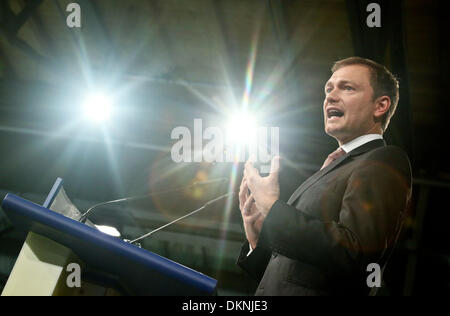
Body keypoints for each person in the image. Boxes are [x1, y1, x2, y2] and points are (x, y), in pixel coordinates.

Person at [237, 57, 412, 296]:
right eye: (329, 89)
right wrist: (259, 237)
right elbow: (291, 277)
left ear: (380, 106)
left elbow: (355, 255)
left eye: (348, 88)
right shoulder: (335, 166)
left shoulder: (384, 160)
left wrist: (273, 208)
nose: (330, 96)